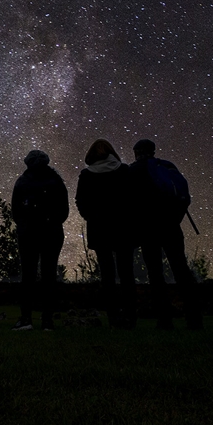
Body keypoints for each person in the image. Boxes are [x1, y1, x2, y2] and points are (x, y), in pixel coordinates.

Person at [129, 139, 203, 330]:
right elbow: (182, 197)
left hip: (147, 228)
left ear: (137, 152)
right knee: (181, 269)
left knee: (155, 273)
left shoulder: (133, 170)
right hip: (171, 226)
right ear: (153, 151)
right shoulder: (167, 167)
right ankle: (194, 318)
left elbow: (128, 203)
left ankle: (164, 319)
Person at [75, 139, 137, 329]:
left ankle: (113, 317)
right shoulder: (124, 170)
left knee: (107, 275)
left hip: (99, 228)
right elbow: (134, 197)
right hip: (124, 227)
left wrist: (90, 217)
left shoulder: (86, 174)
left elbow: (80, 200)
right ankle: (130, 317)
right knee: (127, 273)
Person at [10, 150, 69, 331]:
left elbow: (15, 211)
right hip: (49, 232)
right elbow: (64, 210)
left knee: (29, 276)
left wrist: (25, 224)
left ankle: (27, 319)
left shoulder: (23, 181)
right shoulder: (55, 180)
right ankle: (46, 320)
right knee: (48, 276)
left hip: (31, 233)